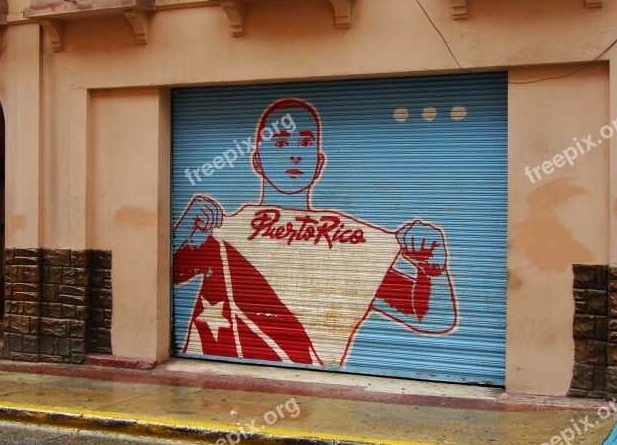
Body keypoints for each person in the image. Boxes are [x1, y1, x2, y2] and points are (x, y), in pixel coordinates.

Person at [173, 98, 458, 367]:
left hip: (303, 384)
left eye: (306, 143)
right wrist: (183, 231)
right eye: (281, 142)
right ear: (257, 161)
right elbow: (161, 282)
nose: (295, 153)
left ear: (319, 163)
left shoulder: (348, 240)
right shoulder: (224, 236)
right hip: (223, 381)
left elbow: (432, 320)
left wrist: (432, 268)